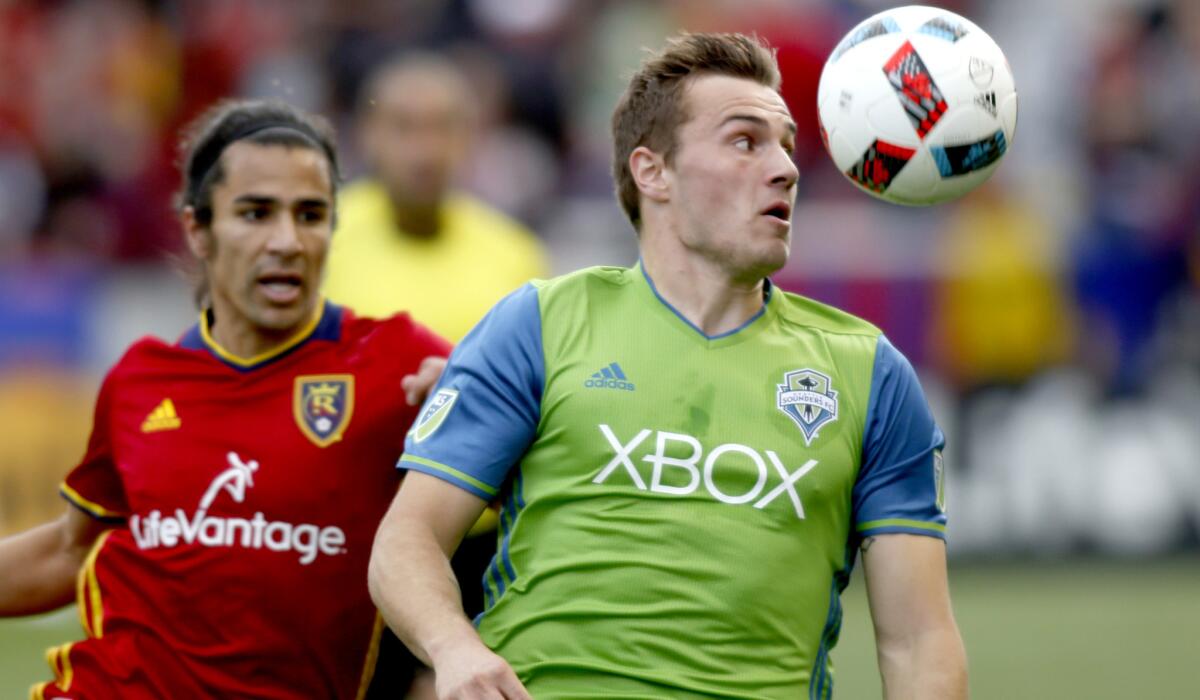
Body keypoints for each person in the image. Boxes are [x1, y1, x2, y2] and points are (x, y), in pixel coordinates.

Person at [368, 32, 968, 699]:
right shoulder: (541, 324)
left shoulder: (870, 373)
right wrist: (454, 648)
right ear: (653, 171)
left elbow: (918, 641)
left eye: (787, 145)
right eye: (746, 141)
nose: (786, 169)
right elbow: (407, 539)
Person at [0, 99, 450, 699]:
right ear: (198, 229)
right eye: (256, 213)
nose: (287, 240)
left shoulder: (398, 360)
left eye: (310, 215)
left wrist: (479, 401)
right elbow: (68, 549)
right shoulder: (141, 379)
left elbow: (547, 448)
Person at [322, 51, 550, 343]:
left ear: (470, 137)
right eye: (403, 127)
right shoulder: (319, 240)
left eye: (443, 127)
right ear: (368, 135)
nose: (424, 151)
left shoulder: (517, 256)